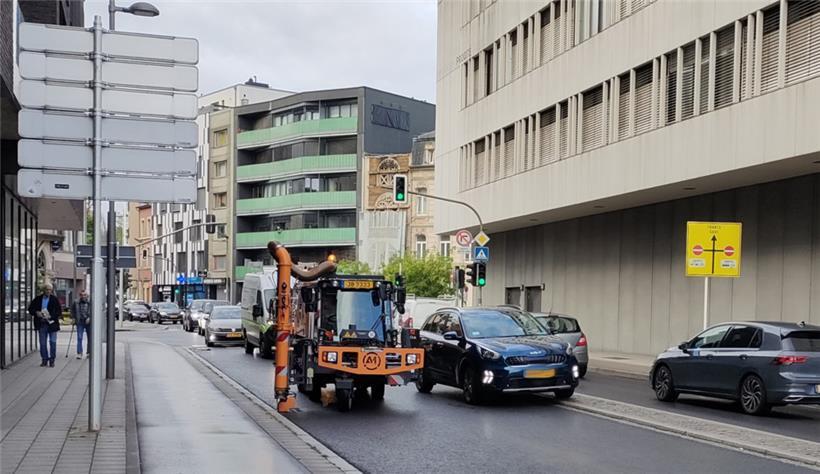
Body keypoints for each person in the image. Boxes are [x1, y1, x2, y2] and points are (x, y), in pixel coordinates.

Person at [28, 283, 62, 367]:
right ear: (44, 290)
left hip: (52, 324)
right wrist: (36, 312)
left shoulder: (54, 299)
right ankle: (44, 359)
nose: (48, 291)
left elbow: (59, 311)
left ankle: (52, 360)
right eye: (47, 289)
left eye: (50, 290)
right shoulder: (38, 299)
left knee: (52, 342)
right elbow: (30, 309)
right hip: (42, 324)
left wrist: (52, 316)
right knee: (42, 343)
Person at [70, 290, 91, 359]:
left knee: (90, 337)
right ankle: (79, 352)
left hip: (88, 322)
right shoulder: (76, 302)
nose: (83, 296)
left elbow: (93, 311)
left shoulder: (90, 302)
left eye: (84, 295)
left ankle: (89, 352)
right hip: (80, 322)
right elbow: (72, 311)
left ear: (87, 295)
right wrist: (73, 318)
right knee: (79, 337)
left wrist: (90, 317)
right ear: (80, 296)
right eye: (82, 295)